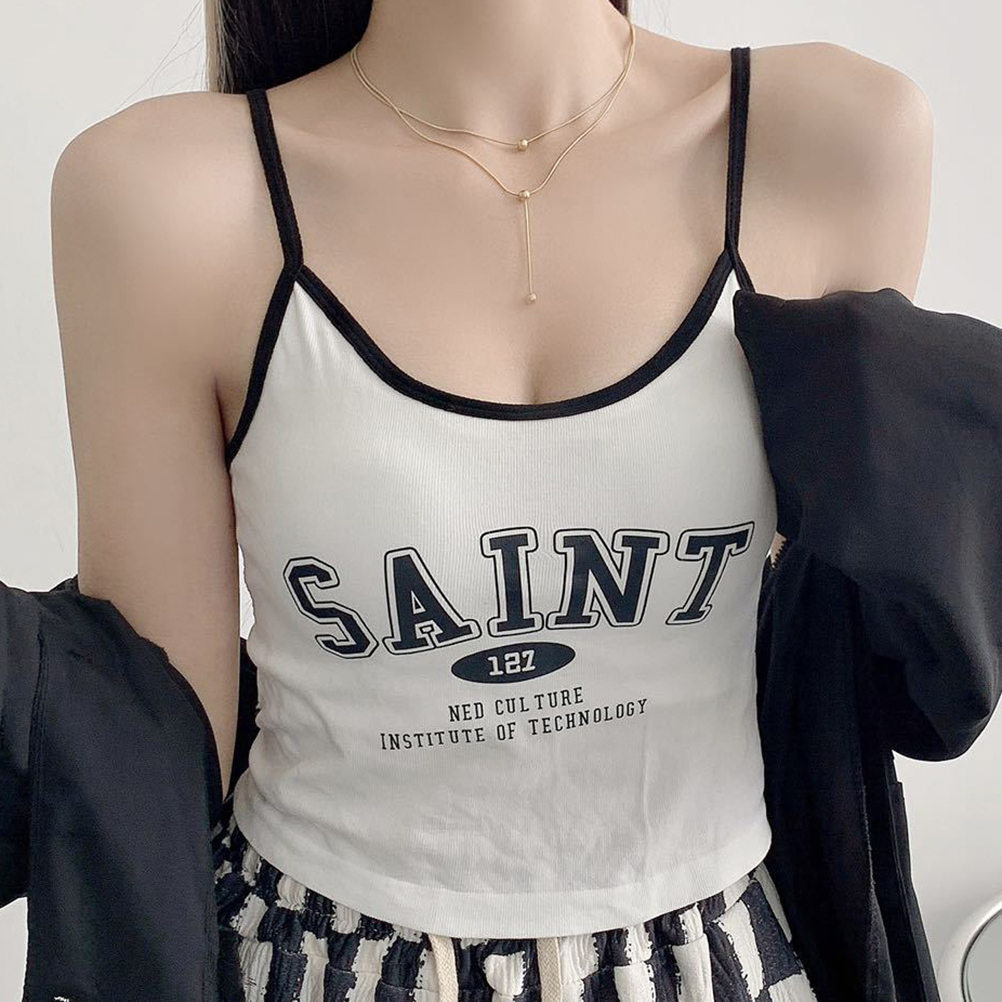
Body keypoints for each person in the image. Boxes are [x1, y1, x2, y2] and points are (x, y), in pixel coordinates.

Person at [48, 1, 932, 999]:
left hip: (718, 956)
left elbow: (831, 645)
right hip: (316, 958)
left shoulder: (834, 139)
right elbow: (150, 780)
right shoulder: (164, 195)